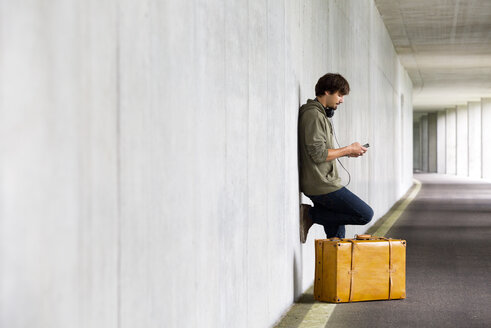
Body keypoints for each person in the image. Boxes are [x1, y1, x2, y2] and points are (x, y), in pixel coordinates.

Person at [298, 73, 373, 243]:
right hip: (322, 185)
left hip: (325, 182)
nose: (342, 100)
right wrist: (348, 149)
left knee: (336, 241)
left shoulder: (321, 115)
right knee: (365, 214)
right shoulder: (313, 115)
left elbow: (323, 152)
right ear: (326, 91)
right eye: (339, 95)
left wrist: (350, 152)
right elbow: (318, 154)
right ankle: (309, 214)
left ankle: (333, 269)